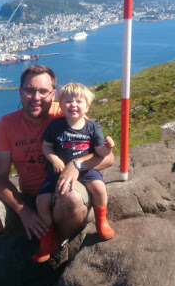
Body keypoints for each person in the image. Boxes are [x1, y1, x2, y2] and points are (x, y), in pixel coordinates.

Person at [0, 65, 114, 286]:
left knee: (69, 197)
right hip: (31, 199)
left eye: (43, 91)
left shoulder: (65, 112)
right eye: (29, 90)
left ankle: (58, 243)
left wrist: (76, 164)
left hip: (68, 194)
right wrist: (24, 212)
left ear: (54, 94)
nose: (36, 97)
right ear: (20, 92)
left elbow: (108, 158)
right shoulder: (7, 124)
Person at [33, 82, 115, 263]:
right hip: (57, 172)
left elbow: (101, 153)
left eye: (79, 101)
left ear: (87, 106)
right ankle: (48, 240)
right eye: (68, 101)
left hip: (86, 169)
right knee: (41, 201)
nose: (73, 105)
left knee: (99, 187)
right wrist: (54, 159)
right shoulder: (55, 126)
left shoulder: (93, 127)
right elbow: (46, 147)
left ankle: (102, 221)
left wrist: (108, 147)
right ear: (61, 106)